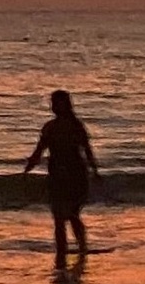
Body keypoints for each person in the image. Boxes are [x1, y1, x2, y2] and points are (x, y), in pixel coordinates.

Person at [23, 88, 100, 265]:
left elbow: (87, 150)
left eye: (57, 103)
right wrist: (28, 168)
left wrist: (94, 171)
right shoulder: (49, 127)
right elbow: (40, 150)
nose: (53, 106)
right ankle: (62, 252)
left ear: (66, 105)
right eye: (52, 103)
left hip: (76, 175)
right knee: (58, 217)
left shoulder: (76, 126)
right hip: (57, 176)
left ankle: (82, 248)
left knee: (72, 214)